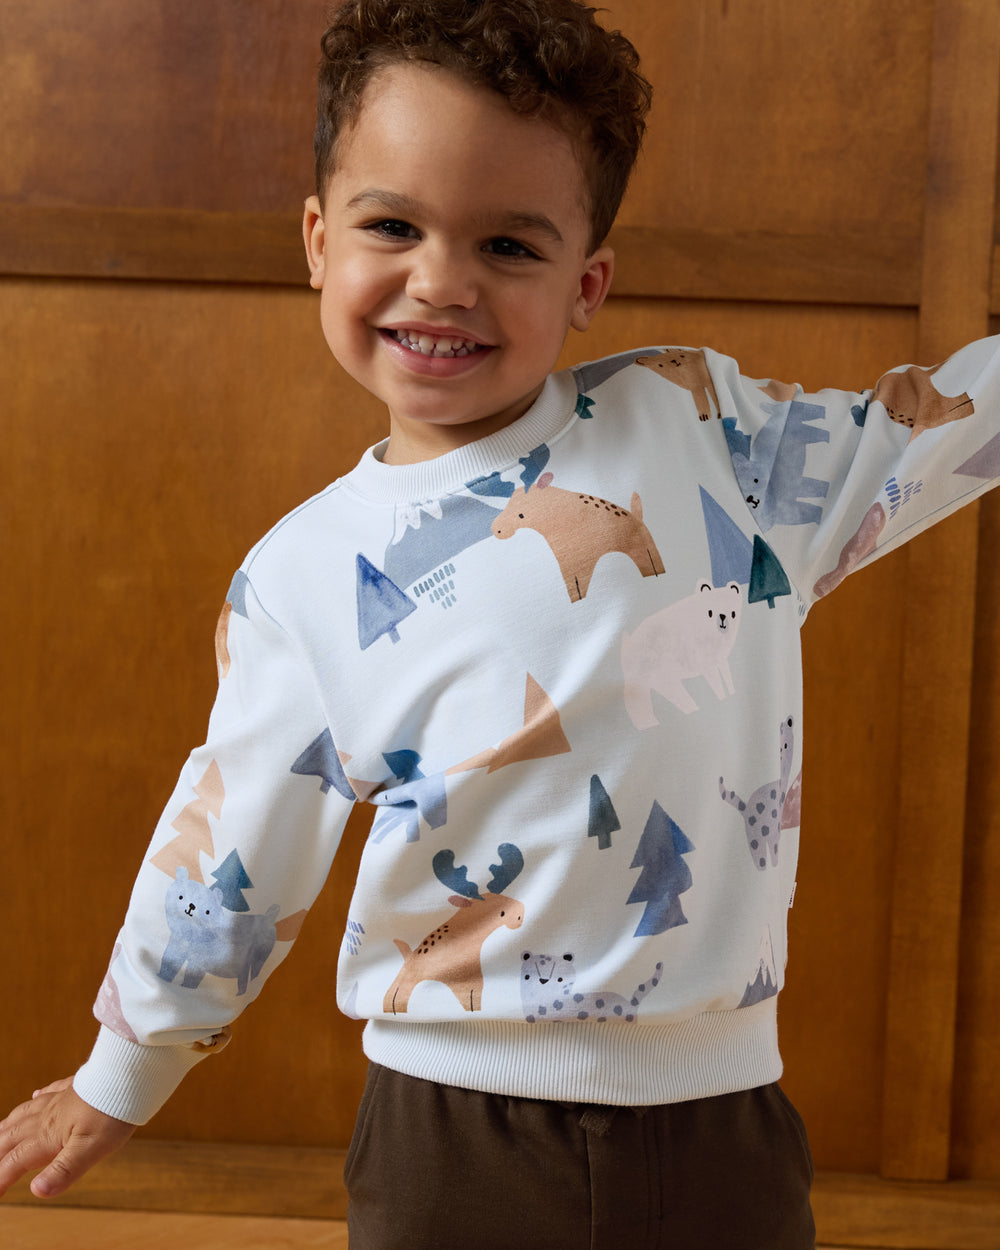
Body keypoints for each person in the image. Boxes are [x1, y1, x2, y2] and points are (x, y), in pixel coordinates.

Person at [2, 1, 999, 1246]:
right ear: (318, 239)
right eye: (392, 226)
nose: (442, 279)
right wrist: (124, 1069)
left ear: (586, 284)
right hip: (452, 1133)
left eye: (508, 246)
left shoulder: (703, 431)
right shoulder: (302, 574)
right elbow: (234, 839)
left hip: (722, 1119)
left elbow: (940, 427)